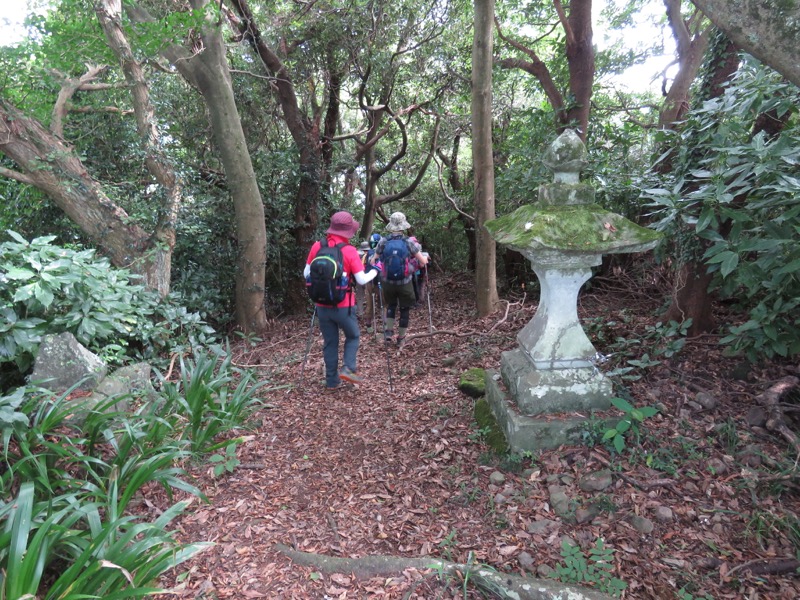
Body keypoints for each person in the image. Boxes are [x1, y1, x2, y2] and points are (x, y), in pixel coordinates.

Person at [304, 211, 377, 389]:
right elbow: (360, 280)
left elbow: (306, 274)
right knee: (353, 336)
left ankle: (331, 381)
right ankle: (348, 368)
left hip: (322, 305)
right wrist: (375, 271)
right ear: (348, 231)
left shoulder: (317, 246)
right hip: (344, 306)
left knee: (330, 342)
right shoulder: (350, 251)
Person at [373, 212, 428, 347]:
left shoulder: (383, 241)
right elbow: (422, 262)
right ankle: (401, 338)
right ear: (403, 226)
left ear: (391, 225)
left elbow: (373, 260)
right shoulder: (408, 242)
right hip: (404, 282)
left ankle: (388, 333)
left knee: (391, 305)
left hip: (388, 282)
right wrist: (422, 260)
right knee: (404, 309)